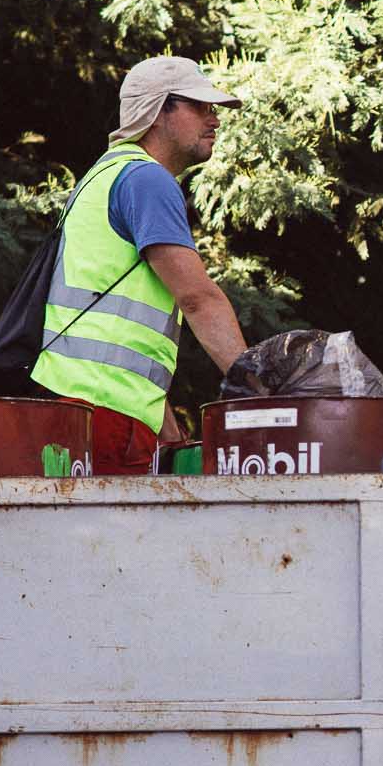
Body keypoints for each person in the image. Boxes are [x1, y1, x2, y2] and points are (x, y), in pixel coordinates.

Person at [31, 56, 252, 473]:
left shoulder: (104, 176)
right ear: (157, 111)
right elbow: (198, 299)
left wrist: (166, 424)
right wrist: (262, 394)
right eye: (201, 107)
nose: (215, 120)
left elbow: (114, 336)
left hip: (78, 408)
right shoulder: (147, 180)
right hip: (108, 415)